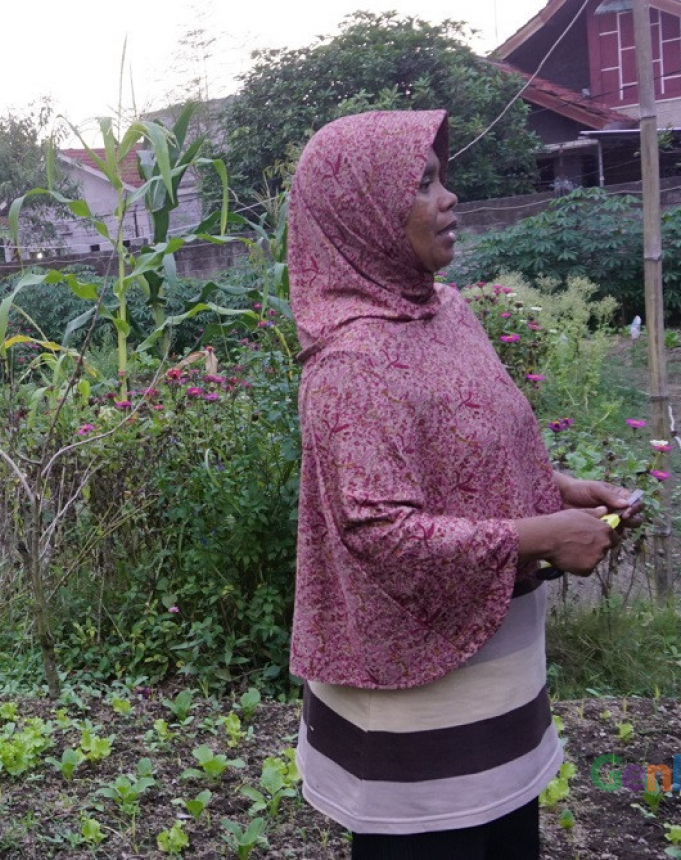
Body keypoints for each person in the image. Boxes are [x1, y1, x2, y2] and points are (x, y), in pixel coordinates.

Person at [286, 110, 641, 859]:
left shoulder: (446, 312)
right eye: (421, 183)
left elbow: (480, 447)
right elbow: (381, 533)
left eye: (443, 177)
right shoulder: (350, 363)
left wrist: (560, 490)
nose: (448, 198)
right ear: (361, 214)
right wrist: (543, 537)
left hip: (498, 678)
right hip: (419, 709)